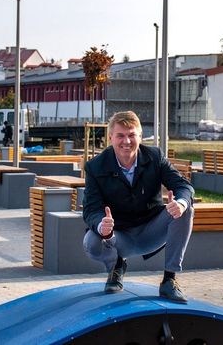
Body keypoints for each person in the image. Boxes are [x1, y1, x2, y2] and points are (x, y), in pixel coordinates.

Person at [82, 111, 194, 303]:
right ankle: (116, 266)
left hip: (152, 231)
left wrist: (181, 203)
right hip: (118, 237)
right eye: (120, 136)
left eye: (131, 135)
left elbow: (183, 186)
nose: (126, 141)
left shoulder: (155, 156)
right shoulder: (95, 167)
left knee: (186, 210)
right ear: (110, 138)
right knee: (91, 242)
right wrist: (102, 225)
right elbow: (91, 209)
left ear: (140, 137)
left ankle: (169, 280)